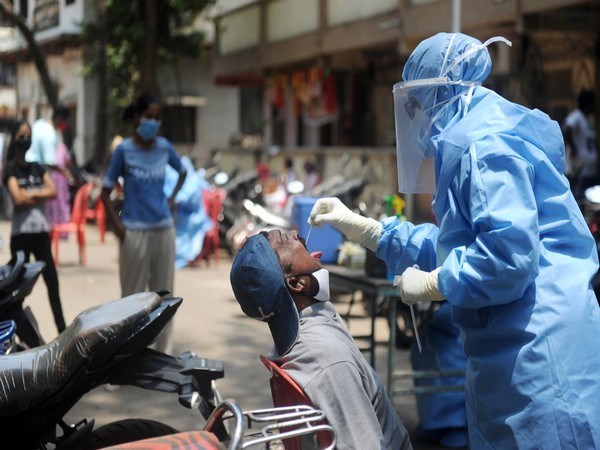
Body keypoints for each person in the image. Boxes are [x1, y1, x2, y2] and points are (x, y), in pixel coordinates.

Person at [309, 32, 600, 449]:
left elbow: (507, 258)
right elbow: (458, 248)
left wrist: (436, 284)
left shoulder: (484, 146)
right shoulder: (476, 135)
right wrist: (370, 230)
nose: (413, 115)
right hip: (514, 348)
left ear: (440, 93)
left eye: (416, 102)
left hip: (541, 353)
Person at [229, 230, 413, 450]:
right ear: (297, 283)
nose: (297, 233)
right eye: (287, 240)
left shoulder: (302, 331)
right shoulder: (328, 361)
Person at [101, 93, 187, 354]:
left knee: (165, 296)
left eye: (157, 117)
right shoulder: (124, 150)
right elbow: (105, 191)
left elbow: (182, 171)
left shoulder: (164, 147)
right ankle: (127, 357)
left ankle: (163, 356)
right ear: (138, 117)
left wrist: (171, 199)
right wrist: (118, 227)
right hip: (134, 233)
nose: (153, 121)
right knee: (131, 298)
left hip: (163, 230)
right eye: (149, 115)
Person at [3, 119, 67, 335]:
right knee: (17, 291)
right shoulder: (10, 169)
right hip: (20, 235)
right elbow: (17, 199)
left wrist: (28, 193)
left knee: (53, 284)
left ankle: (62, 330)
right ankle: (20, 335)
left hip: (41, 233)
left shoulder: (37, 167)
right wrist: (39, 193)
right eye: (21, 136)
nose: (25, 140)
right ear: (14, 139)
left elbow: (53, 191)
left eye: (28, 135)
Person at [26, 105, 72, 230]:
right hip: (36, 173)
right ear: (59, 118)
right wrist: (64, 172)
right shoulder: (50, 134)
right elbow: (49, 162)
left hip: (26, 170)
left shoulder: (39, 124)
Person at [563, 89, 597, 198]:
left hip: (591, 169)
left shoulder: (589, 119)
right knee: (581, 200)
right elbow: (567, 128)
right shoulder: (576, 116)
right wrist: (572, 147)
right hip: (581, 170)